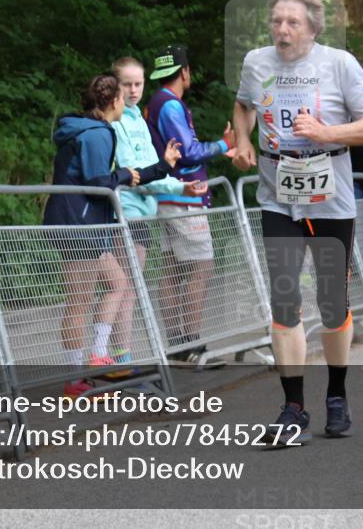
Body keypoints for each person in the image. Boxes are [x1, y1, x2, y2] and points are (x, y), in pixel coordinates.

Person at [231, 0, 363, 444]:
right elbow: (242, 105)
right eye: (277, 21)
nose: (282, 29)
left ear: (312, 27)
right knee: (284, 300)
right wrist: (242, 140)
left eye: (292, 21)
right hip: (277, 192)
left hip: (329, 193)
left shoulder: (339, 64)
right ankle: (292, 407)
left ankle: (336, 395)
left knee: (332, 303)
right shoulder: (256, 62)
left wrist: (325, 132)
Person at [43, 73, 181, 398]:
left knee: (118, 284)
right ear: (114, 101)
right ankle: (75, 377)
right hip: (78, 225)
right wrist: (121, 174)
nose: (127, 102)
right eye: (123, 97)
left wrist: (161, 166)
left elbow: (120, 177)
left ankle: (97, 355)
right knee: (79, 300)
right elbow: (97, 181)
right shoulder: (96, 134)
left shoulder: (93, 130)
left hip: (82, 224)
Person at [110, 56, 210, 369]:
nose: (133, 89)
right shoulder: (116, 122)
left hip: (146, 210)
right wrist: (222, 147)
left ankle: (122, 358)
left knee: (130, 287)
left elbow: (157, 169)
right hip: (124, 210)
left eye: (138, 83)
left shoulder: (139, 119)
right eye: (126, 84)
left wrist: (181, 187)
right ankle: (118, 359)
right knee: (122, 287)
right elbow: (135, 173)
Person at [144, 45, 235, 363]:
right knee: (201, 266)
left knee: (171, 270)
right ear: (184, 72)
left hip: (168, 196)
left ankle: (177, 344)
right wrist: (226, 144)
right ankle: (191, 345)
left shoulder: (157, 103)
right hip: (184, 197)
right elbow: (189, 151)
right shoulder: (170, 105)